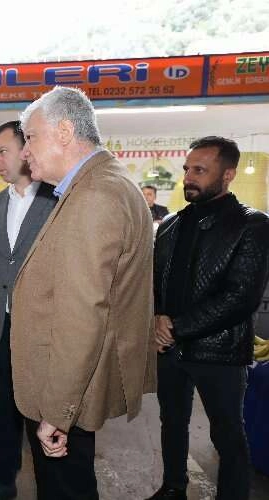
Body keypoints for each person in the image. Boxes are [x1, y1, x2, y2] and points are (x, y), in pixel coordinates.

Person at [13, 86, 154, 500]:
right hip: (73, 382)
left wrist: (57, 412)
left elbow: (82, 315)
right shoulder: (105, 184)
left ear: (63, 131)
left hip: (66, 390)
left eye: (30, 137)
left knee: (65, 488)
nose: (25, 152)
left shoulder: (94, 196)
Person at [148, 137, 269, 500]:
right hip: (171, 350)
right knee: (172, 423)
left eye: (200, 170)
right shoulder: (171, 224)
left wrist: (176, 328)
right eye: (187, 169)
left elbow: (240, 297)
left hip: (220, 352)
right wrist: (156, 318)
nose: (189, 177)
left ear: (228, 174)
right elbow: (155, 282)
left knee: (227, 433)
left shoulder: (252, 224)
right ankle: (173, 488)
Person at [0, 121, 57, 500]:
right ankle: (4, 478)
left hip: (43, 329)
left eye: (2, 151)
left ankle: (47, 485)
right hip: (5, 324)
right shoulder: (1, 202)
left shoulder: (56, 200)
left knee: (40, 413)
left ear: (26, 150)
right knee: (4, 408)